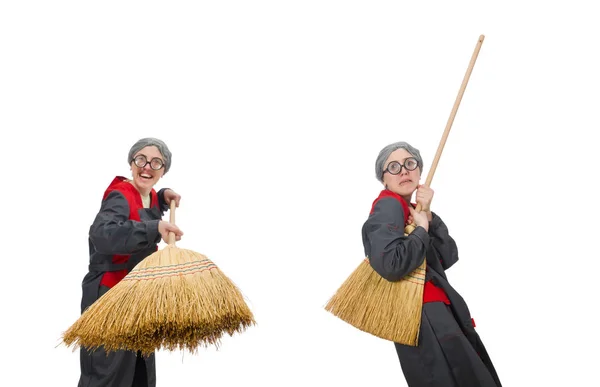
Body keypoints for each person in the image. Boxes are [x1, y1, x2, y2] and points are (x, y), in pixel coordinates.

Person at [362, 141, 502, 387]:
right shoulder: (388, 205)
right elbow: (391, 264)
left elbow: (446, 257)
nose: (403, 170)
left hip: (436, 313)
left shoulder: (412, 210)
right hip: (424, 316)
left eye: (410, 163)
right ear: (383, 179)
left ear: (419, 171)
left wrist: (427, 215)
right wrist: (422, 229)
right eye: (393, 167)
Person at [78, 137, 184, 387]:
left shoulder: (147, 195)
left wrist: (161, 196)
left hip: (135, 296)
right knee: (107, 373)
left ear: (163, 171)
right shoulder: (119, 195)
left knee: (137, 371)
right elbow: (103, 234)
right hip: (108, 294)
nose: (147, 167)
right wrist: (154, 227)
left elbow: (143, 207)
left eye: (156, 163)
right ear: (131, 163)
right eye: (141, 160)